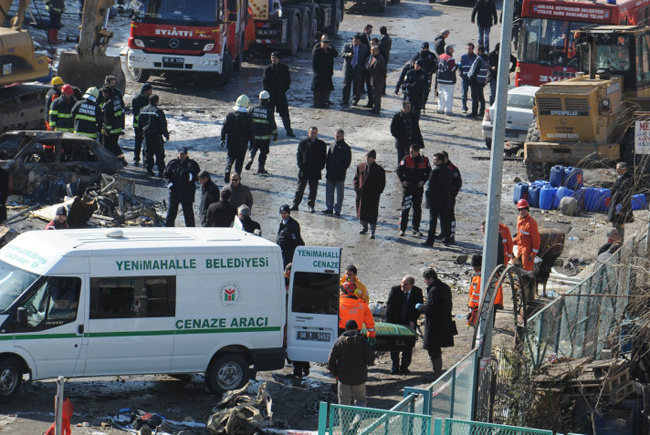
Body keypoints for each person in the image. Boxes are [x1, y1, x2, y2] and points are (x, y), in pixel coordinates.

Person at [327, 319, 375, 408]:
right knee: (360, 400)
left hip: (343, 378)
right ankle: (358, 418)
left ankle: (345, 422)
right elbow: (371, 360)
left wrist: (336, 374)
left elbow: (330, 362)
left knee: (343, 404)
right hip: (360, 377)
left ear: (345, 329)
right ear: (357, 329)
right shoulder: (363, 341)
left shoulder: (338, 342)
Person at [385, 276, 423, 374]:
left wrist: (413, 320)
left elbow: (418, 309)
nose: (403, 285)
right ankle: (395, 366)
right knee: (394, 345)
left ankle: (405, 366)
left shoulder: (417, 292)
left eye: (405, 284)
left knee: (408, 345)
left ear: (411, 285)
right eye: (402, 283)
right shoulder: (395, 290)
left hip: (409, 323)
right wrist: (388, 325)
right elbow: (389, 308)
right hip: (396, 322)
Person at [421, 267, 454, 378]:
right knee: (436, 348)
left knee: (432, 348)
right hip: (444, 321)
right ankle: (437, 371)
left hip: (434, 324)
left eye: (425, 280)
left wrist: (421, 307)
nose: (425, 282)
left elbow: (430, 308)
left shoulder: (434, 290)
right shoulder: (445, 287)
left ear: (430, 279)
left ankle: (437, 372)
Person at [397, 145, 431, 237]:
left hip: (418, 188)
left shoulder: (425, 160)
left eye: (412, 152)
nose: (410, 153)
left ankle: (415, 228)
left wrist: (423, 181)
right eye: (410, 151)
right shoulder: (406, 159)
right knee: (405, 208)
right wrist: (402, 181)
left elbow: (429, 172)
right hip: (408, 187)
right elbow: (398, 170)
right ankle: (402, 229)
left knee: (417, 208)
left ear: (417, 152)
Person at [292, 127, 327, 213]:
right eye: (312, 132)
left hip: (315, 170)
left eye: (315, 133)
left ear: (317, 133)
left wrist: (320, 167)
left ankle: (311, 206)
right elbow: (299, 155)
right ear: (308, 133)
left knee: (313, 190)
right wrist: (300, 166)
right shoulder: (302, 143)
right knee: (300, 189)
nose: (313, 134)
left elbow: (324, 158)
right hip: (304, 170)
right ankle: (295, 205)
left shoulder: (322, 144)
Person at [163, 147, 200, 227]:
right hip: (175, 192)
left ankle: (191, 231)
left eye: (184, 154)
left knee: (189, 215)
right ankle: (168, 230)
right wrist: (169, 184)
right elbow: (166, 174)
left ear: (187, 154)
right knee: (171, 215)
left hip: (187, 193)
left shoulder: (192, 164)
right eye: (181, 154)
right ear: (178, 154)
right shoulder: (172, 164)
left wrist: (190, 177)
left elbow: (199, 176)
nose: (182, 156)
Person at [221, 95, 255, 183]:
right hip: (242, 143)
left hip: (231, 142)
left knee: (230, 157)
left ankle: (228, 168)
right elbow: (251, 131)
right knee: (239, 162)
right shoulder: (247, 116)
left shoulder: (230, 114)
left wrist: (223, 138)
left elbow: (224, 127)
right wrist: (252, 143)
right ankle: (237, 178)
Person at [422, 153, 453, 247]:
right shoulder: (449, 171)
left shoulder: (434, 172)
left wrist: (428, 200)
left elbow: (430, 187)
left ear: (440, 161)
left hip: (435, 201)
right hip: (445, 200)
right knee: (445, 221)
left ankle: (430, 241)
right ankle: (446, 239)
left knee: (433, 221)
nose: (433, 161)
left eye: (435, 160)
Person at [354, 150, 386, 239]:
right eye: (368, 158)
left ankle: (372, 231)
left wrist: (377, 193)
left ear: (374, 159)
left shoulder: (379, 170)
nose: (369, 160)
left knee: (372, 214)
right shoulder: (360, 167)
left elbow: (382, 184)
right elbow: (356, 179)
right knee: (362, 212)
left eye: (371, 158)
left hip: (373, 196)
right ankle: (364, 228)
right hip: (362, 194)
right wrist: (356, 188)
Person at [263, 52, 294, 137]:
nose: (273, 59)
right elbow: (265, 82)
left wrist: (283, 90)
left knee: (284, 113)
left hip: (281, 94)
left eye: (275, 58)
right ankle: (270, 130)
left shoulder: (284, 68)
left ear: (278, 59)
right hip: (271, 95)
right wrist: (268, 92)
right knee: (269, 113)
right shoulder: (268, 69)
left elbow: (288, 81)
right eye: (272, 57)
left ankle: (288, 130)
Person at [246, 91, 277, 175]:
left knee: (253, 149)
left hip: (254, 136)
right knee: (263, 152)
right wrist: (275, 135)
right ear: (268, 100)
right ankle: (260, 168)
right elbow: (272, 124)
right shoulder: (269, 111)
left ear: (259, 99)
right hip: (265, 137)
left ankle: (250, 159)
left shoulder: (252, 109)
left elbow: (247, 121)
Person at [139, 94, 169, 177]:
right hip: (156, 136)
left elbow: (139, 123)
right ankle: (161, 171)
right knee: (159, 153)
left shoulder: (143, 110)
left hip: (146, 135)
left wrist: (141, 133)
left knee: (148, 153)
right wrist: (166, 135)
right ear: (156, 101)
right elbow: (163, 125)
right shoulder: (158, 112)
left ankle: (149, 170)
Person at [324, 129, 352, 216]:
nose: (336, 137)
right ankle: (329, 208)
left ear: (342, 136)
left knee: (339, 194)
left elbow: (347, 162)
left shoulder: (346, 148)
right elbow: (328, 158)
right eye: (335, 135)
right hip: (330, 173)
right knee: (329, 192)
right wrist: (328, 168)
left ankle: (337, 209)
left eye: (338, 136)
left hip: (340, 175)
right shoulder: (332, 144)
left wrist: (341, 170)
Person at [390, 101, 424, 165]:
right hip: (401, 142)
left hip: (411, 141)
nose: (409, 108)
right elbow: (393, 130)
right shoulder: (397, 117)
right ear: (403, 107)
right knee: (401, 159)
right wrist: (399, 138)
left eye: (410, 107)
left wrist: (419, 142)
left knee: (410, 158)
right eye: (407, 107)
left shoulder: (413, 116)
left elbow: (417, 130)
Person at [100, 86, 127, 166]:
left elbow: (109, 119)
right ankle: (121, 159)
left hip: (111, 130)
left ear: (106, 93)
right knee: (115, 145)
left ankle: (111, 162)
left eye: (103, 93)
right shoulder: (116, 100)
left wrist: (107, 131)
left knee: (109, 146)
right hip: (117, 128)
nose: (102, 95)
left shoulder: (109, 104)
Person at [341, 34, 369, 106]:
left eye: (357, 41)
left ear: (360, 41)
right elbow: (342, 54)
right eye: (354, 41)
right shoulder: (347, 46)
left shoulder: (364, 48)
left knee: (357, 85)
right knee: (346, 85)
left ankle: (355, 100)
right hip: (348, 68)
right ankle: (345, 100)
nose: (356, 43)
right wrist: (348, 55)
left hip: (358, 69)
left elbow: (366, 57)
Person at [608, 162, 634, 240]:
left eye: (618, 169)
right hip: (615, 207)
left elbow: (626, 196)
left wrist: (622, 209)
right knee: (615, 227)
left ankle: (618, 245)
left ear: (624, 170)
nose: (617, 171)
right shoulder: (620, 179)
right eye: (616, 169)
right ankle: (615, 243)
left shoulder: (626, 181)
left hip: (620, 209)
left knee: (619, 227)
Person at [513, 199, 540, 272]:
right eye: (521, 210)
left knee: (526, 268)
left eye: (524, 209)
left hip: (527, 249)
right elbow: (519, 233)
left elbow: (536, 240)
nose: (523, 212)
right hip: (520, 246)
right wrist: (514, 241)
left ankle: (528, 282)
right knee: (518, 265)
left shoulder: (531, 223)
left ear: (527, 210)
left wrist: (533, 253)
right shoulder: (519, 219)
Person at [312, 34, 338, 108]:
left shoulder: (330, 49)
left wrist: (330, 48)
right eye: (324, 43)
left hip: (327, 73)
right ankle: (317, 103)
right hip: (319, 73)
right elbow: (314, 63)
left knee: (325, 88)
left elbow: (335, 54)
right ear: (321, 42)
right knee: (318, 89)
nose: (325, 44)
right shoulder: (317, 50)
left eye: (327, 43)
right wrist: (317, 72)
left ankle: (324, 102)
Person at [442, 151, 462, 243]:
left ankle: (451, 234)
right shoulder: (441, 167)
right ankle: (444, 233)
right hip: (442, 196)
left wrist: (453, 194)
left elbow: (458, 183)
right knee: (442, 215)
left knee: (450, 215)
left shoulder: (453, 169)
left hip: (450, 196)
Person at [131, 83, 153, 166]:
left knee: (146, 143)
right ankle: (136, 159)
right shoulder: (136, 99)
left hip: (146, 125)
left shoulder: (149, 99)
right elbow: (136, 113)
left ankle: (145, 160)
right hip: (138, 125)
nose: (151, 92)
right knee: (138, 142)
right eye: (150, 90)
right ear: (145, 90)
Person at [412, 43, 437, 114]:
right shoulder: (418, 55)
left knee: (426, 90)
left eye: (425, 48)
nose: (424, 50)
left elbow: (435, 66)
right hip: (418, 75)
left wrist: (431, 72)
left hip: (427, 75)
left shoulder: (431, 55)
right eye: (423, 48)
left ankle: (423, 103)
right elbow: (412, 62)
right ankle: (418, 104)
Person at [467, 45, 489, 119]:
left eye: (477, 50)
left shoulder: (479, 59)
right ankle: (481, 112)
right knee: (481, 97)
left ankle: (474, 112)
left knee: (475, 97)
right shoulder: (486, 59)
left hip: (476, 81)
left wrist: (471, 79)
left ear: (480, 51)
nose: (475, 52)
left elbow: (475, 70)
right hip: (482, 80)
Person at [436, 45, 458, 115]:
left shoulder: (440, 56)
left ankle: (440, 109)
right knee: (448, 95)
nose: (453, 50)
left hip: (440, 78)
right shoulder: (450, 59)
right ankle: (448, 110)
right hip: (448, 80)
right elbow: (453, 69)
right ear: (449, 50)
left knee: (441, 94)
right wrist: (458, 65)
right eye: (452, 49)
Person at [365, 46, 387, 113]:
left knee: (377, 95)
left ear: (377, 51)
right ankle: (374, 107)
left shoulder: (380, 59)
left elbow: (384, 70)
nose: (372, 52)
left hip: (378, 80)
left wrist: (381, 79)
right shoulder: (372, 57)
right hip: (372, 79)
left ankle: (376, 108)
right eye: (371, 50)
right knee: (374, 94)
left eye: (373, 50)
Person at [459, 43, 477, 114]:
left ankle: (473, 108)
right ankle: (464, 107)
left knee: (474, 93)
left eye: (470, 48)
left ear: (473, 49)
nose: (468, 50)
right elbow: (460, 66)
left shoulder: (476, 57)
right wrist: (461, 73)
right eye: (467, 48)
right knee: (464, 93)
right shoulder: (463, 57)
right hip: (465, 77)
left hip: (472, 78)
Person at [467, 254, 482, 326]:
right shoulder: (485, 274)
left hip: (478, 306)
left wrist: (471, 307)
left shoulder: (478, 277)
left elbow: (476, 294)